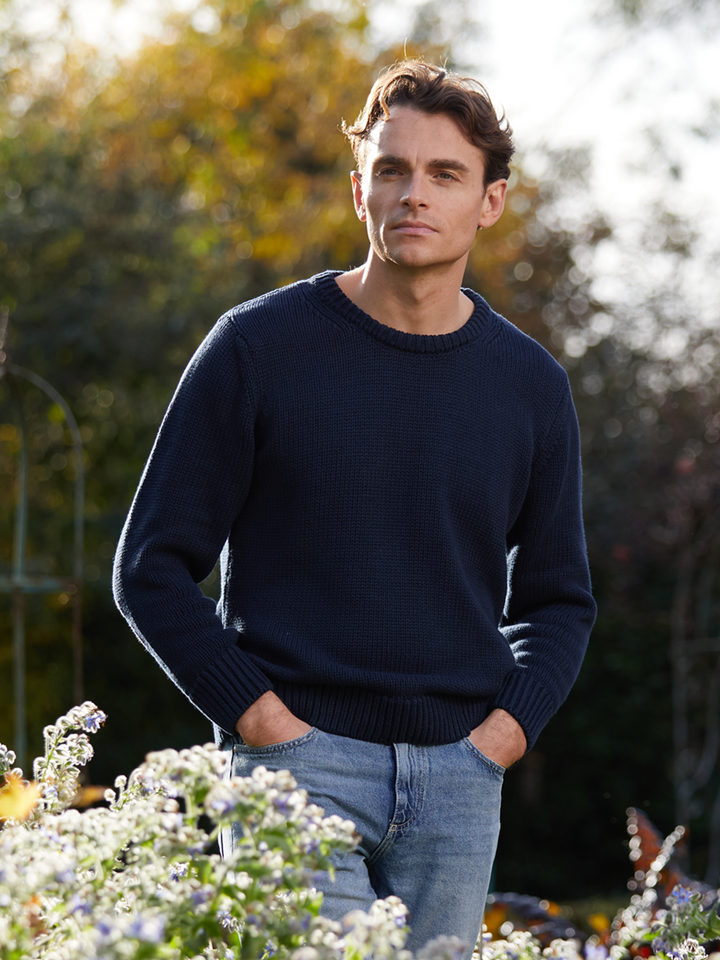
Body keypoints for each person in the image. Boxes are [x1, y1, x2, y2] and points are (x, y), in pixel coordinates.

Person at [113, 60, 596, 958]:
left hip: (459, 779)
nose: (415, 194)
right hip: (298, 768)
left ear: (490, 201)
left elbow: (558, 599)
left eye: (445, 174)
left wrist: (501, 738)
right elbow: (150, 568)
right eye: (392, 170)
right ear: (359, 189)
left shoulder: (530, 387)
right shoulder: (257, 348)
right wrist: (262, 724)